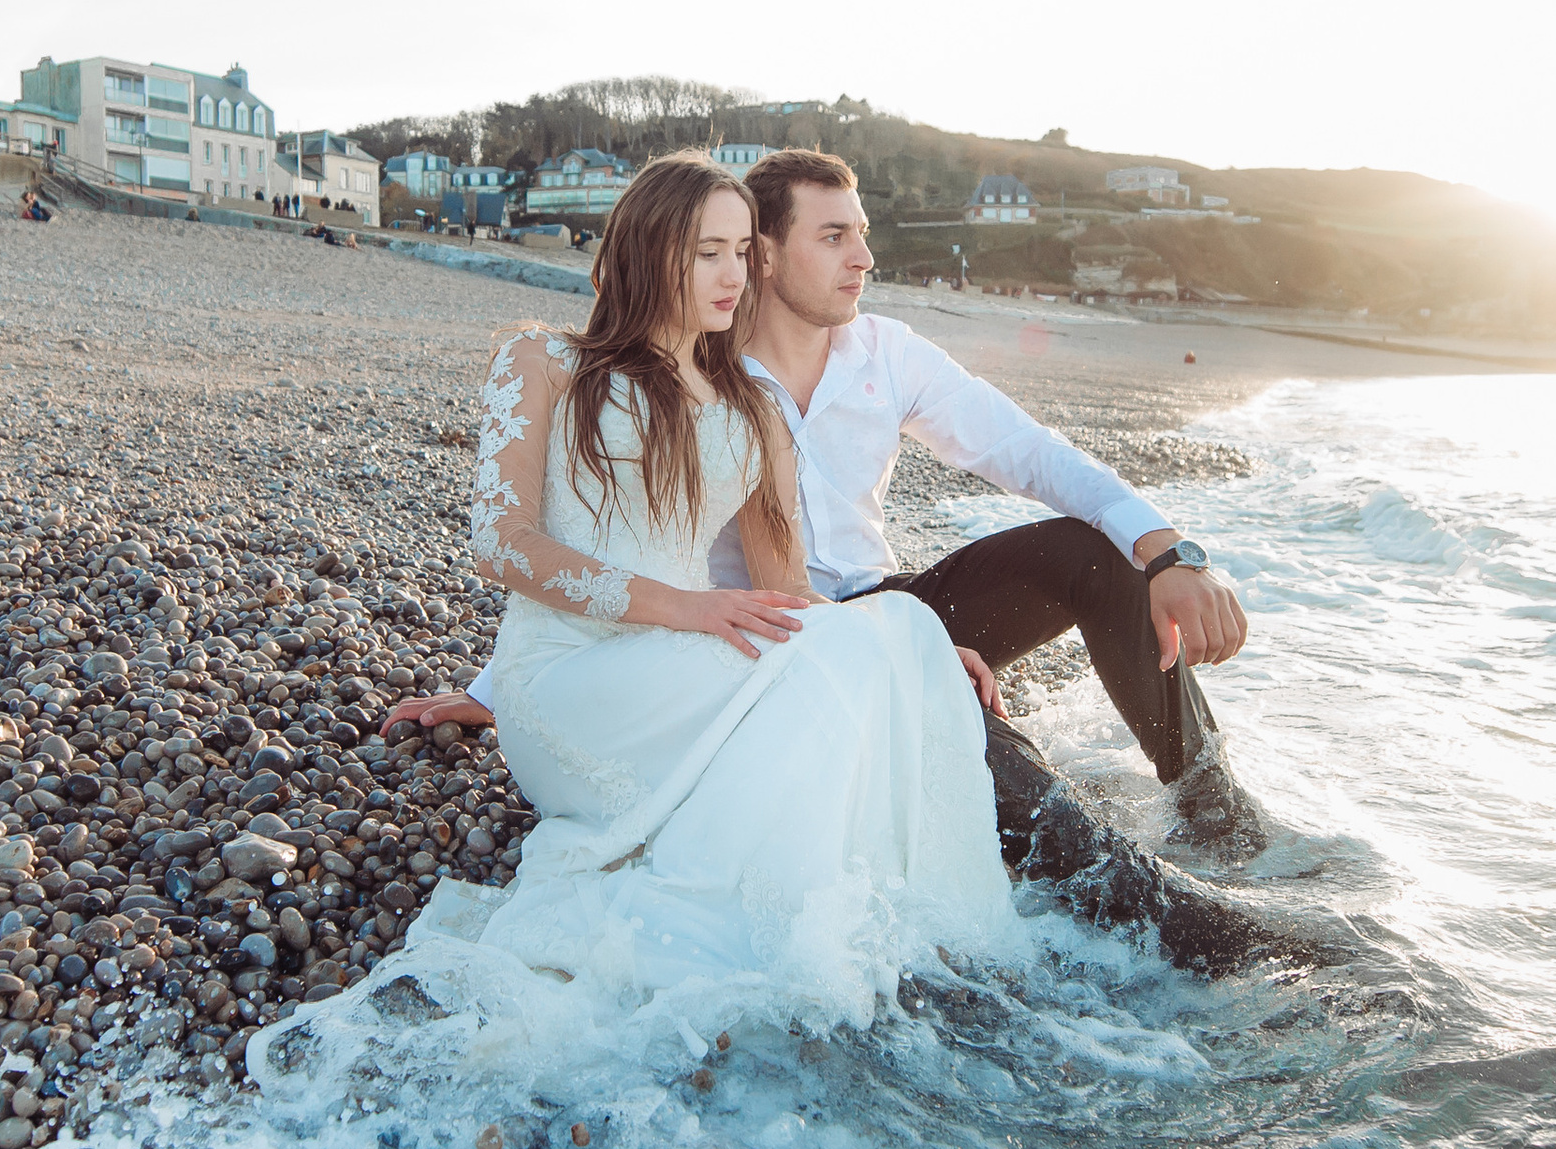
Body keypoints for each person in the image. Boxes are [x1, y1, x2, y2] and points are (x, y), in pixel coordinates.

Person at [438, 154, 1020, 1011]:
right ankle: (798, 945)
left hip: (692, 657)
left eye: (744, 252)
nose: (733, 275)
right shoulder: (546, 362)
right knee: (841, 671)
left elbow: (790, 597)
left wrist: (924, 649)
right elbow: (502, 545)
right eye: (708, 250)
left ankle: (872, 934)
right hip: (567, 678)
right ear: (646, 248)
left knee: (890, 634)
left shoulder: (751, 411)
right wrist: (687, 607)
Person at [732, 149, 1270, 884]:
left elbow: (1027, 450)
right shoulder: (701, 367)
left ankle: (1222, 824)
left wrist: (1170, 554)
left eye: (861, 232)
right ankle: (1133, 896)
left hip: (891, 605)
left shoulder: (885, 353)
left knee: (1095, 549)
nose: (864, 257)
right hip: (776, 639)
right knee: (1016, 787)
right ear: (762, 254)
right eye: (832, 237)